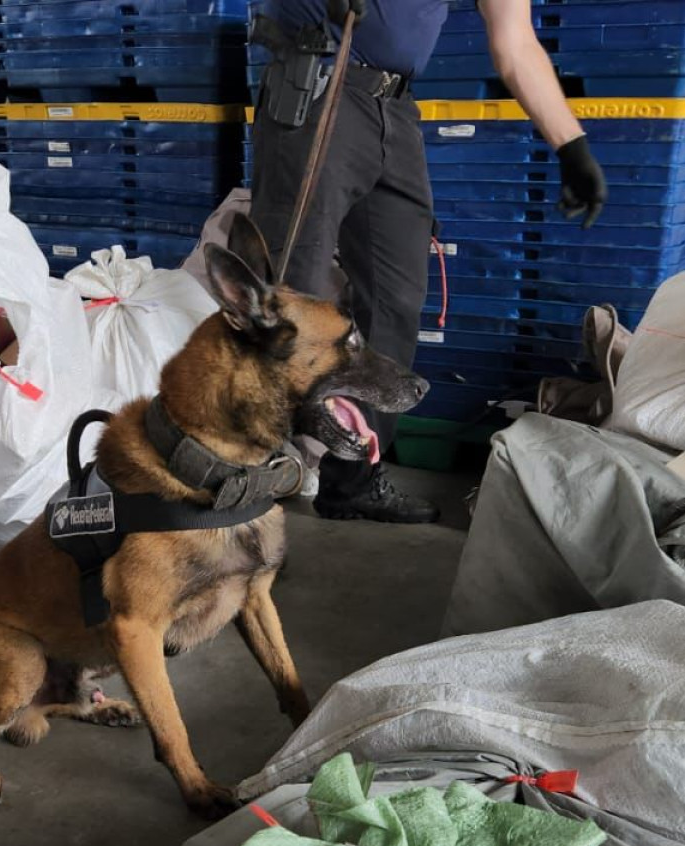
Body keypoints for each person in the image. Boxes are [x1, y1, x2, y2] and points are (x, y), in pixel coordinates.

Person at [251, 0, 607, 524]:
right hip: (320, 79)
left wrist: (571, 147)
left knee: (396, 296)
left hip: (393, 107)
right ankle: (247, 480)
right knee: (290, 294)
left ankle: (353, 478)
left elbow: (515, 41)